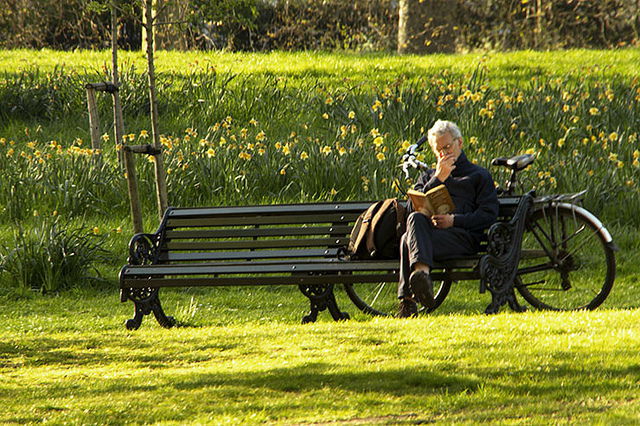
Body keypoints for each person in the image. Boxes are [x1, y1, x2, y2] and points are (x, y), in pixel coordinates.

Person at [397, 119, 499, 318]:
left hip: (461, 238)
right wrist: (438, 179)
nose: (444, 153)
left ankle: (408, 302)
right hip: (430, 238)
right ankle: (423, 277)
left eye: (448, 147)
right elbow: (411, 209)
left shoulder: (478, 175)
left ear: (459, 143)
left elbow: (488, 214)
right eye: (439, 150)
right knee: (414, 222)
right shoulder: (428, 176)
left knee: (406, 241)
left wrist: (455, 221)